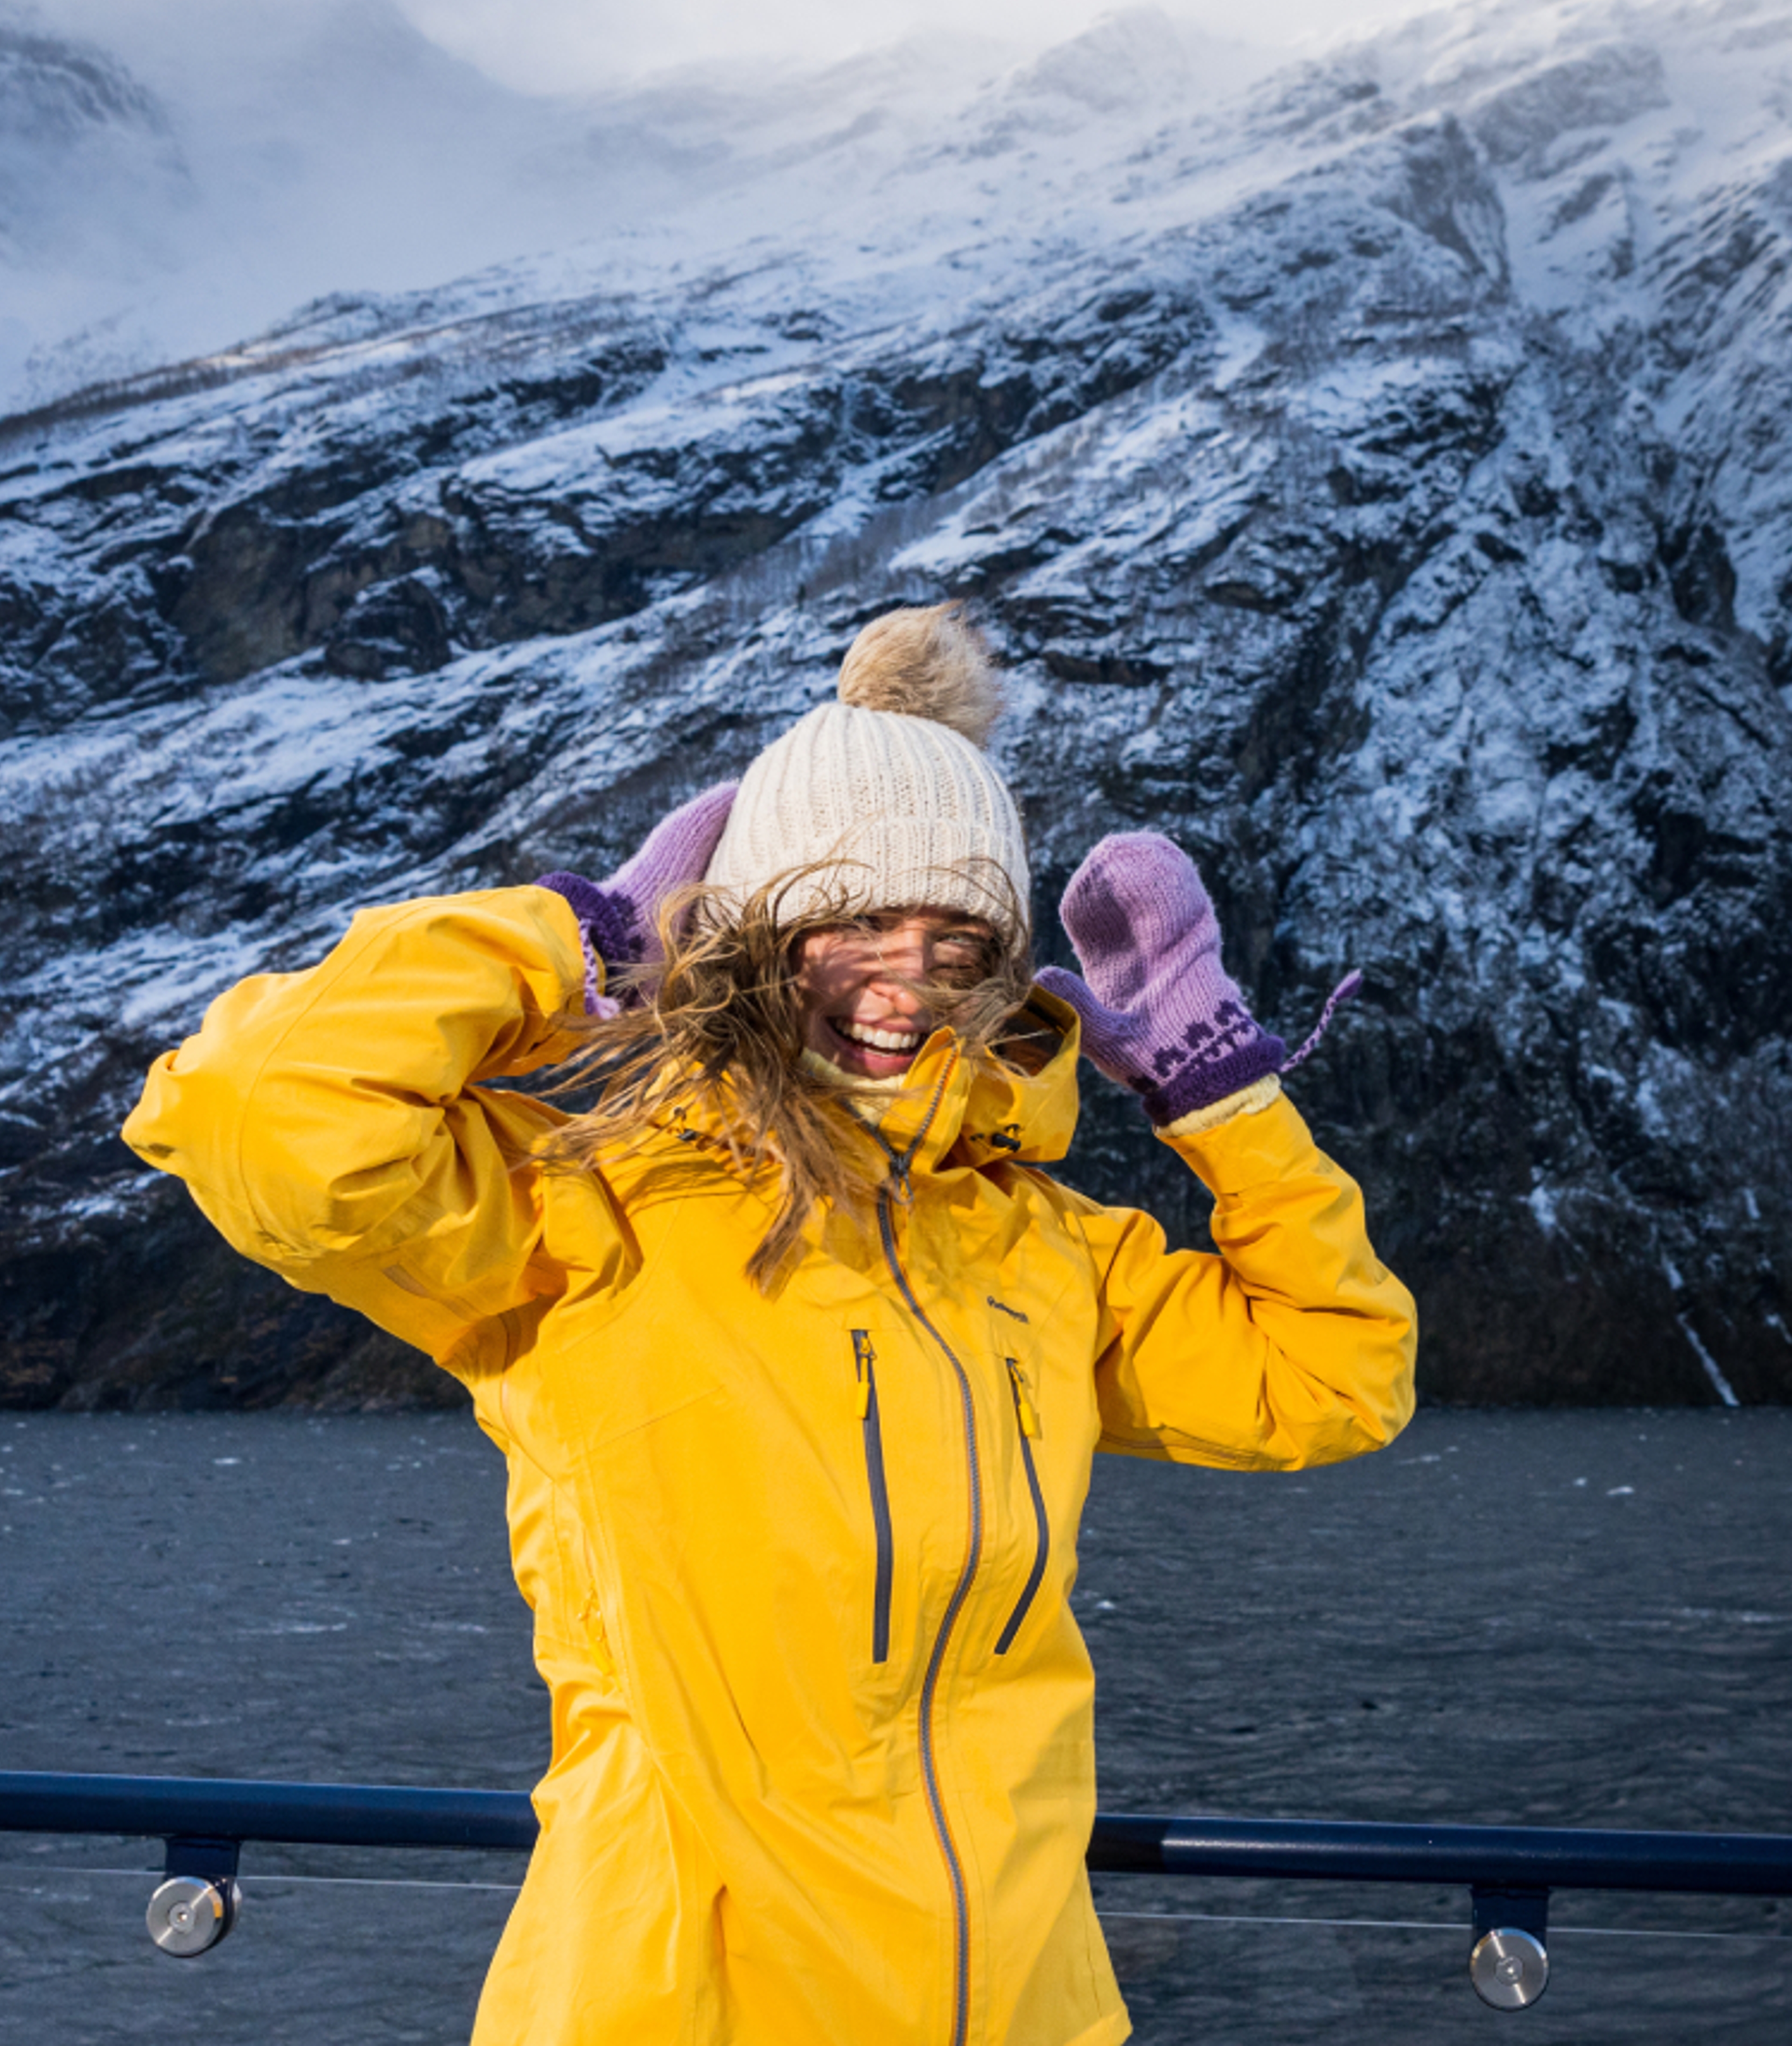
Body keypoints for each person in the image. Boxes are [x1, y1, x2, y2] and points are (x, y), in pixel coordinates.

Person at [123, 602, 1416, 2046]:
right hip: (680, 2005)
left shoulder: (1039, 1249)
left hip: (1023, 2009)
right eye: (855, 920)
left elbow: (1336, 1374)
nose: (904, 980)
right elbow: (256, 1107)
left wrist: (1219, 1097)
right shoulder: (592, 1219)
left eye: (956, 938)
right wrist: (582, 944)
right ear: (754, 938)